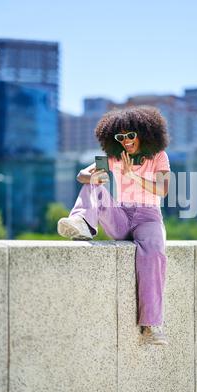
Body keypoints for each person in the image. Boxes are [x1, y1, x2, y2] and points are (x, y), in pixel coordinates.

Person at [57, 106, 171, 345]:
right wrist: (93, 177)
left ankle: (151, 326)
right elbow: (81, 175)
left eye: (131, 135)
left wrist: (133, 176)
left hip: (148, 216)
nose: (126, 141)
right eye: (120, 137)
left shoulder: (159, 155)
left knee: (154, 253)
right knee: (94, 187)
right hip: (120, 214)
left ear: (144, 133)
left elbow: (162, 189)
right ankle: (83, 223)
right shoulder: (113, 156)